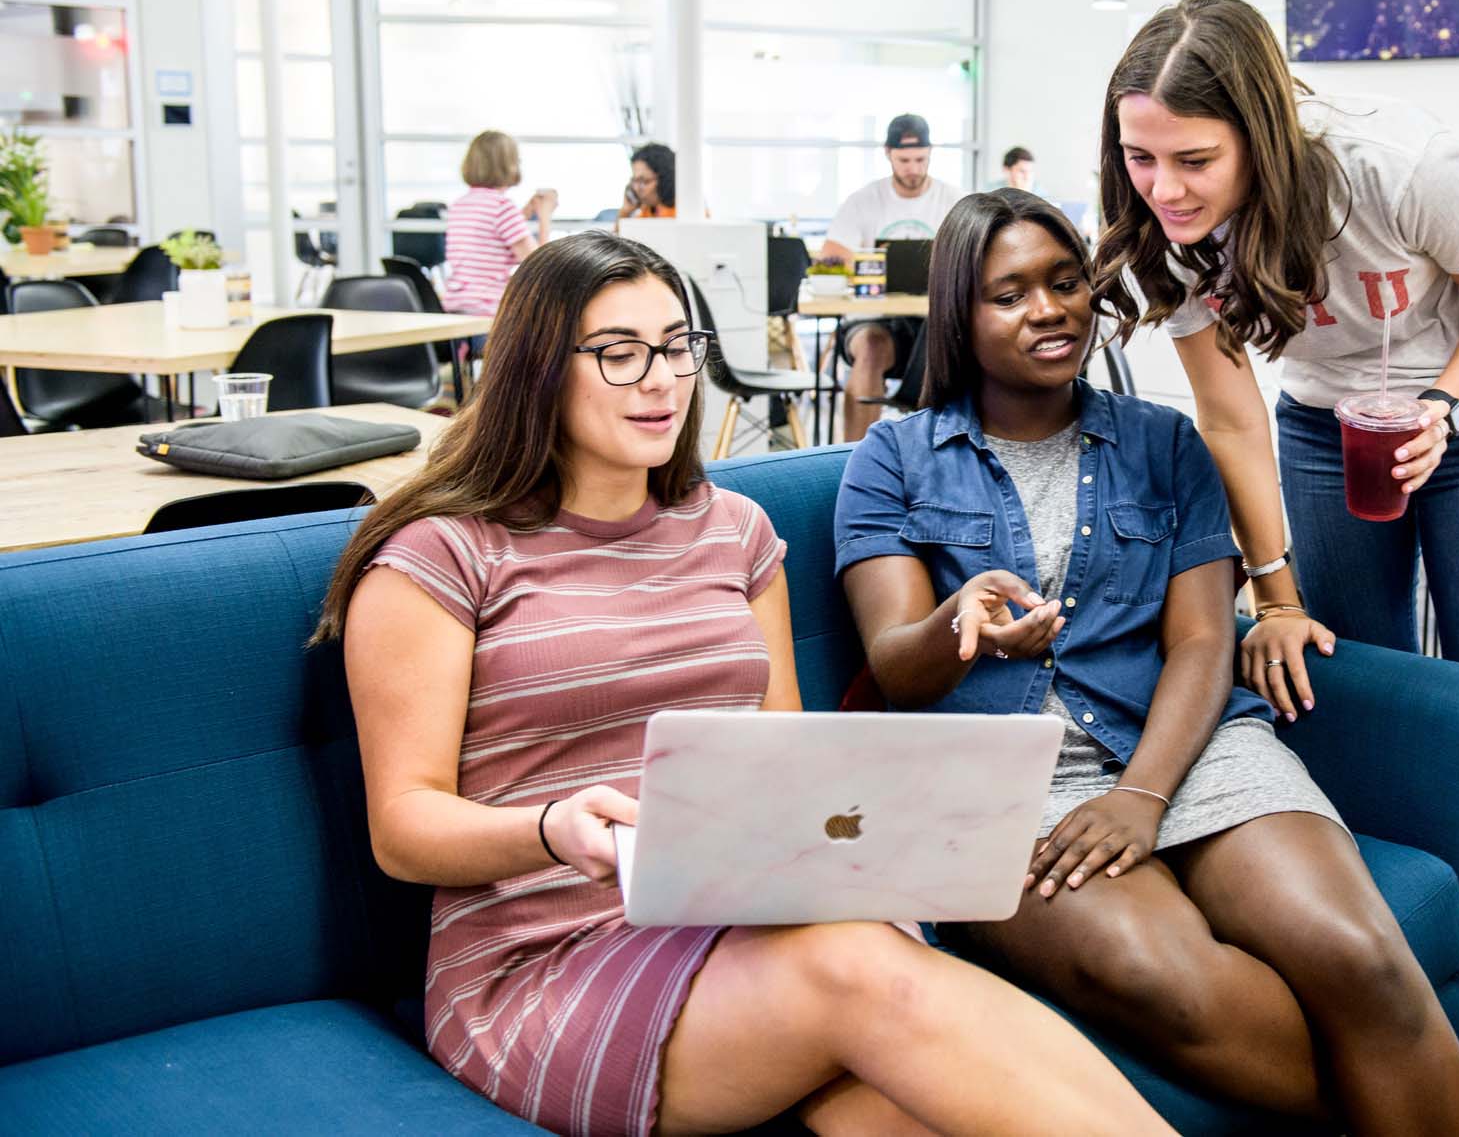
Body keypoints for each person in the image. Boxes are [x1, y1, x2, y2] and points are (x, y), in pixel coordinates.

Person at [315, 231, 1170, 1137]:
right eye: (619, 353)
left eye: (678, 346)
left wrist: (887, 848)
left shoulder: (734, 530)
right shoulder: (440, 554)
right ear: (536, 369)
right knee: (858, 968)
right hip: (543, 954)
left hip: (741, 920)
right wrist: (550, 831)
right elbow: (404, 825)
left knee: (891, 1096)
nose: (662, 380)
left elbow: (787, 765)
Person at [836, 190, 1459, 1137]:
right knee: (1171, 985)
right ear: (959, 314)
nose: (1050, 309)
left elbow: (1202, 639)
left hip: (1185, 746)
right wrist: (961, 622)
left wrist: (1143, 795)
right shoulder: (894, 458)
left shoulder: (1162, 442)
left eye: (1066, 282)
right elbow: (898, 670)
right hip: (998, 787)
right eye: (1010, 293)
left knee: (1358, 953)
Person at [1092, 0, 1459, 1137]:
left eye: (1194, 159)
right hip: (1323, 424)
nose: (1164, 187)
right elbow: (1228, 411)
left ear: (1261, 128)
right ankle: (1398, 1033)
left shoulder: (1404, 166)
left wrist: (1447, 409)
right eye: (1139, 156)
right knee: (1349, 704)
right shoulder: (1167, 220)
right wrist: (1276, 592)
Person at [820, 113, 963, 440]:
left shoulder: (953, 199)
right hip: (874, 321)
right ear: (888, 153)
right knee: (870, 347)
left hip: (935, 323)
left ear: (930, 153)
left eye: (919, 159)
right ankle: (852, 458)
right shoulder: (864, 201)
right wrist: (863, 265)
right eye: (904, 160)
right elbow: (831, 256)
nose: (912, 168)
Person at [444, 129, 554, 316]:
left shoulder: (460, 205)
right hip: (489, 309)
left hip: (457, 305)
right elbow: (540, 264)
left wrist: (525, 213)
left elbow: (489, 237)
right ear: (509, 165)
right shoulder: (502, 207)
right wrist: (545, 216)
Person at [621, 142, 676, 219]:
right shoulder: (649, 209)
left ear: (665, 180)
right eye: (634, 181)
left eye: (644, 181)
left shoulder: (679, 213)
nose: (636, 189)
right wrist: (625, 211)